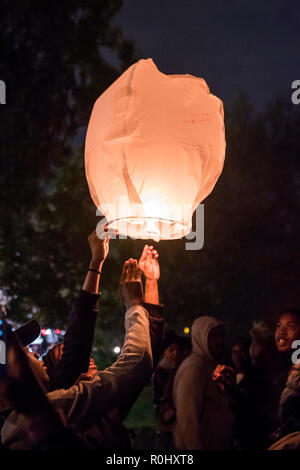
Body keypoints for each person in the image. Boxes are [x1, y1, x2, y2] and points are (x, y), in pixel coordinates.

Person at [1, 258, 156, 449]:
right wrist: (134, 305)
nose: (35, 355)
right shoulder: (34, 417)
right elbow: (136, 364)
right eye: (24, 352)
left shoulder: (19, 426)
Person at [172, 316, 234, 450]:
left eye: (222, 336)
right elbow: (188, 419)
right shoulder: (194, 367)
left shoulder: (210, 363)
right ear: (201, 337)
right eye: (213, 336)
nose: (220, 341)